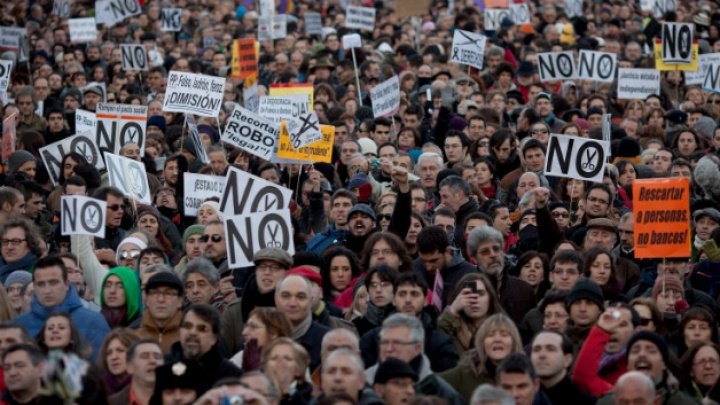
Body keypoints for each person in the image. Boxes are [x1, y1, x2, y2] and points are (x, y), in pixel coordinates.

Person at [15, 255, 110, 359]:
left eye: (53, 282)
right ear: (34, 287)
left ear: (66, 284)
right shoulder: (18, 326)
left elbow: (101, 370)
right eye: (41, 284)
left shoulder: (93, 321)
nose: (47, 290)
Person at [365, 313, 464, 405]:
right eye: (384, 342)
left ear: (417, 348)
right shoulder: (362, 384)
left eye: (397, 343)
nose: (389, 349)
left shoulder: (441, 393)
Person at [439, 313, 523, 402]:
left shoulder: (526, 374)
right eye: (490, 335)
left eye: (504, 335)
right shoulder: (463, 373)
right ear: (482, 343)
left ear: (514, 342)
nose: (497, 339)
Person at [467, 226, 536, 323]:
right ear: (474, 258)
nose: (493, 255)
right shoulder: (469, 289)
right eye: (485, 251)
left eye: (496, 249)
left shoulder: (524, 290)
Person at [168, 304, 242, 387]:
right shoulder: (165, 370)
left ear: (214, 338)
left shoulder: (232, 377)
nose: (193, 332)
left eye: (202, 328)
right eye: (187, 326)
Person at [437, 273, 505, 356]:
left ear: (490, 298)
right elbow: (435, 340)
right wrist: (452, 311)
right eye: (468, 294)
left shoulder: (504, 328)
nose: (474, 300)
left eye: (481, 293)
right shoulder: (451, 328)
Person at [275, 274, 330, 371]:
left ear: (310, 301)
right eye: (285, 296)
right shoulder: (262, 338)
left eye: (301, 297)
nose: (292, 303)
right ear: (276, 299)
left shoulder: (327, 341)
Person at [530, 330, 596, 404]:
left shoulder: (586, 402)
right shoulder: (521, 398)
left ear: (567, 360)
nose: (541, 355)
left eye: (551, 349)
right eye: (536, 350)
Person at [135, 272, 184, 355]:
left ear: (180, 301)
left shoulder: (187, 338)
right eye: (154, 293)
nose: (161, 299)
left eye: (168, 293)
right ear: (146, 299)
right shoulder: (133, 338)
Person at [109, 339, 165, 405]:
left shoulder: (177, 400)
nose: (152, 361)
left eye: (157, 357)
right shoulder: (110, 403)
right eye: (145, 356)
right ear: (130, 367)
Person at [261, 337, 314, 404]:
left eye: (287, 358)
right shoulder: (255, 393)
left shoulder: (309, 396)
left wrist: (286, 389)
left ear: (299, 369)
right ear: (265, 368)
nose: (280, 362)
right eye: (274, 358)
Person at [98, 328, 141, 394]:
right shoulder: (100, 390)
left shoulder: (146, 386)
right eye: (109, 353)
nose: (114, 357)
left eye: (120, 350)